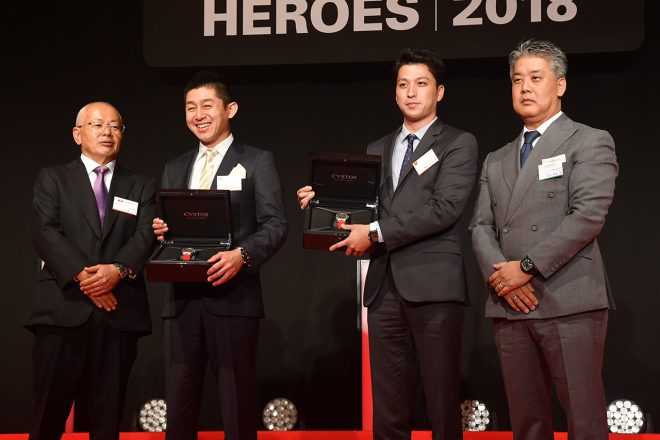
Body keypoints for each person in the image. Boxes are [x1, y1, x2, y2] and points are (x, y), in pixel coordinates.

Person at [297, 47, 478, 440]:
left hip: (434, 286)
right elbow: (365, 209)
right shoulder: (376, 148)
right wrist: (323, 204)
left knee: (441, 404)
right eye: (403, 84)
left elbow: (444, 208)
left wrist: (376, 233)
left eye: (421, 84)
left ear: (439, 92)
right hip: (383, 287)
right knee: (388, 406)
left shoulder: (458, 143)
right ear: (395, 93)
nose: (411, 92)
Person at [469, 38, 618, 439]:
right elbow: (480, 226)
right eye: (517, 80)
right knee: (527, 422)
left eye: (536, 78)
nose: (525, 88)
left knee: (584, 419)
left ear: (560, 84)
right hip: (510, 303)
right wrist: (503, 278)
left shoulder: (589, 140)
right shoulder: (497, 158)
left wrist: (527, 268)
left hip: (567, 299)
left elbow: (587, 216)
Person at [152, 70, 288, 440]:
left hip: (233, 298)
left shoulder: (257, 161)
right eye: (190, 107)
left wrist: (242, 255)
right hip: (181, 302)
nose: (198, 115)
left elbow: (276, 224)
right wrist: (160, 230)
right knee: (179, 407)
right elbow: (166, 229)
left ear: (230, 109)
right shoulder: (175, 166)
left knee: (236, 406)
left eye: (207, 105)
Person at [27, 102, 157, 440]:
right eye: (98, 124)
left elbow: (146, 235)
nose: (107, 132)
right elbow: (45, 232)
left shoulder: (141, 185)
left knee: (107, 418)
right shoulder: (53, 178)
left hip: (118, 312)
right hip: (63, 308)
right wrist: (85, 278)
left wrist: (117, 270)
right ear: (77, 134)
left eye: (115, 126)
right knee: (47, 415)